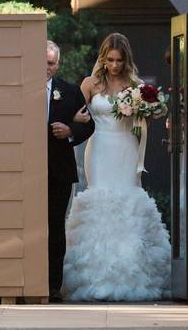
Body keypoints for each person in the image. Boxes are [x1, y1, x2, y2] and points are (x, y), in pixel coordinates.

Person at [63, 33, 171, 301]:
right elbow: (73, 115)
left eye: (119, 60)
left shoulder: (136, 84)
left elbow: (151, 114)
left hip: (126, 147)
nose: (114, 65)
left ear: (126, 60)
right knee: (101, 199)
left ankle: (128, 271)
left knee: (127, 201)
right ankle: (95, 274)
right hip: (99, 148)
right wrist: (75, 117)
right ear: (103, 58)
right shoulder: (90, 83)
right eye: (110, 59)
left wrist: (149, 110)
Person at [46, 40, 94, 303]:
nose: (46, 68)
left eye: (51, 64)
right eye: (43, 62)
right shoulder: (23, 88)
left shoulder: (70, 91)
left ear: (58, 64)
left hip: (59, 170)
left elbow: (90, 126)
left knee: (55, 227)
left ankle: (53, 286)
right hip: (29, 168)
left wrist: (71, 131)